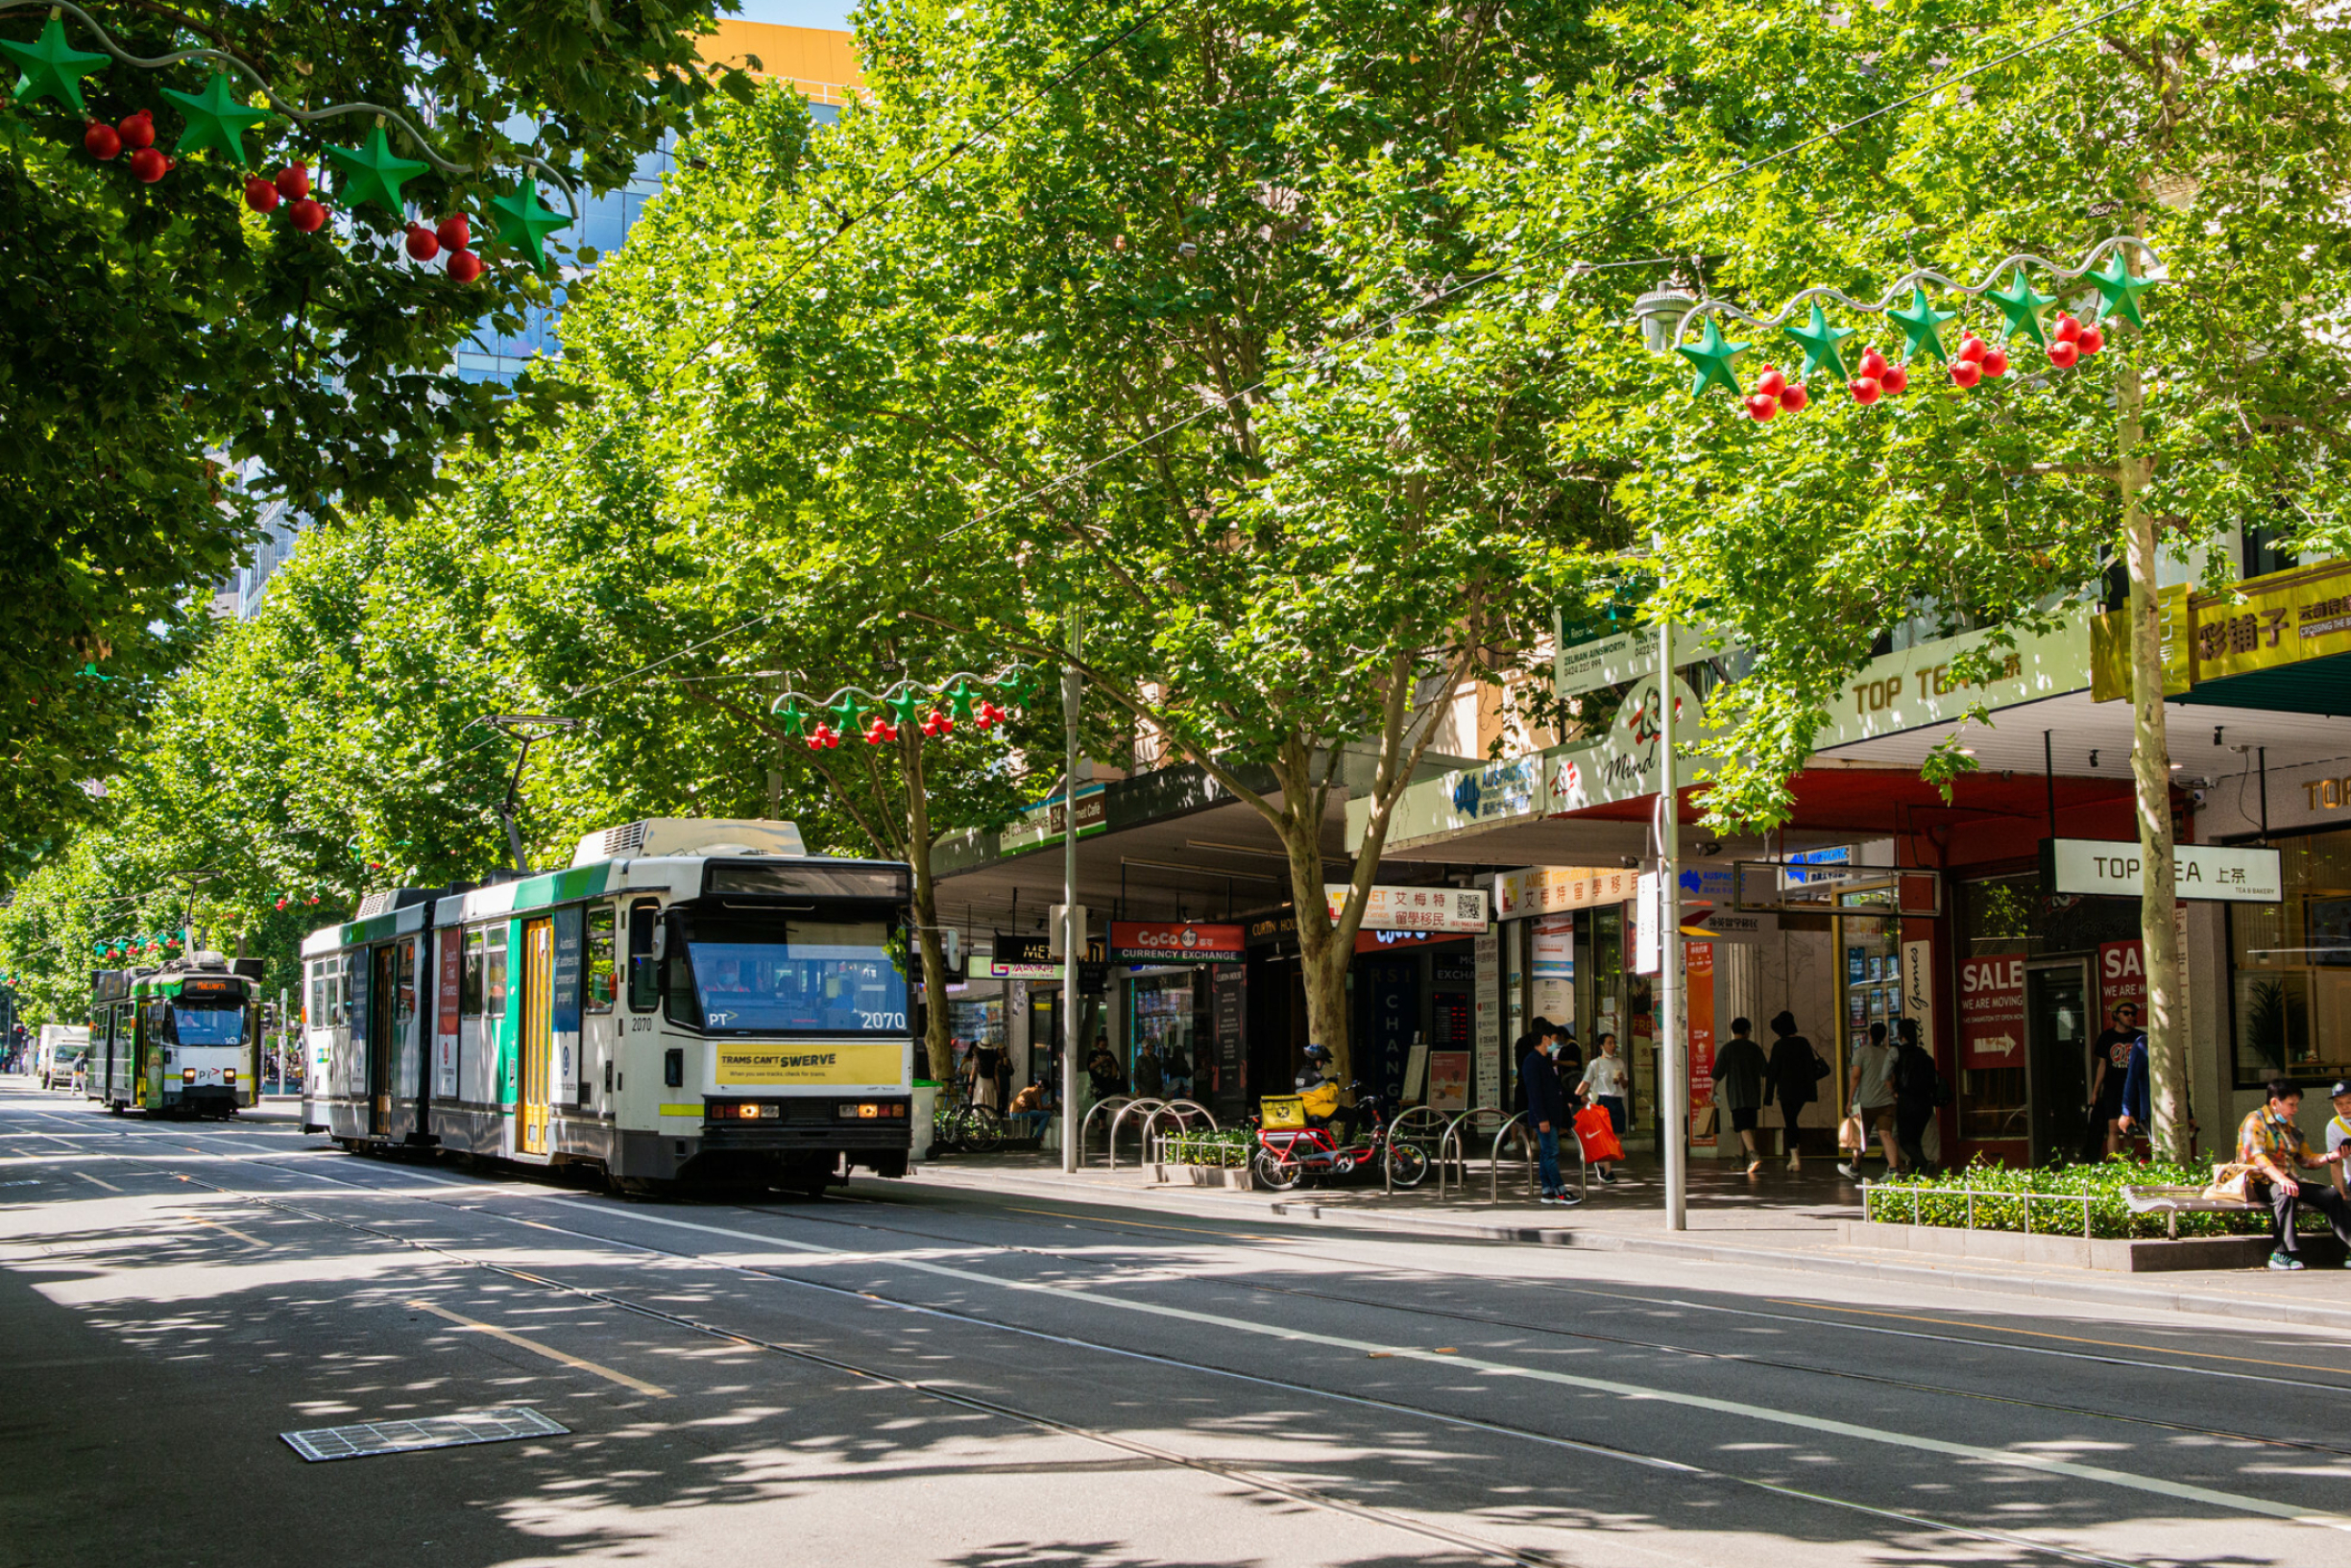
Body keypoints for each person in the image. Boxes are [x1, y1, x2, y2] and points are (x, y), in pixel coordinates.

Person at [2237, 1078, 2351, 1270]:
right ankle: (2281, 1254)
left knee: (2331, 1196)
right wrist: (2281, 1179)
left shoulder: (2290, 1128)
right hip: (2261, 1181)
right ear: (2275, 1103)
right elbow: (2258, 1158)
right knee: (2285, 1192)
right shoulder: (2254, 1120)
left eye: (2296, 1104)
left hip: (2290, 1180)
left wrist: (2331, 1156)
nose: (2295, 1109)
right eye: (2292, 1104)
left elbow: (2305, 1159)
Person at [1763, 1010, 1824, 1171]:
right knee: (1793, 1120)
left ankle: (1795, 1157)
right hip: (1804, 1090)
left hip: (1786, 1091)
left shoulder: (1778, 1046)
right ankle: (1795, 1155)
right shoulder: (1804, 1042)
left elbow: (1772, 1073)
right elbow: (1811, 1067)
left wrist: (1768, 1096)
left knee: (1790, 1121)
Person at [1839, 1022, 1901, 1180]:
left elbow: (1855, 1076)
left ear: (1870, 1035)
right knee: (1886, 1135)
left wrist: (1850, 1099)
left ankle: (1854, 1168)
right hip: (1886, 1102)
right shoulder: (1888, 1053)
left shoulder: (1861, 1052)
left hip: (1867, 1103)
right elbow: (1892, 1077)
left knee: (1861, 1137)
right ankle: (1894, 1169)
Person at [1710, 1016, 1769, 1177]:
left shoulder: (1727, 1049)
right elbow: (1765, 1071)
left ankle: (1753, 1155)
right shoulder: (1754, 1048)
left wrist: (1712, 1090)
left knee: (1742, 1127)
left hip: (1736, 1095)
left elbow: (1717, 1073)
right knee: (1746, 1127)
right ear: (1746, 1031)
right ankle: (1740, 1159)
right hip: (1753, 1094)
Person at [1518, 1029, 1568, 1204]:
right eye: (1552, 1038)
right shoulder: (1533, 1061)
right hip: (1545, 1116)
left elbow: (1555, 1088)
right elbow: (1535, 1092)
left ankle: (1548, 1190)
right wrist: (1542, 1118)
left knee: (1547, 1153)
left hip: (1550, 1114)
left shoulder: (1544, 1060)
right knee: (1550, 1153)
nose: (1554, 1041)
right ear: (1544, 1038)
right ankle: (1560, 1191)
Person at [2088, 1001, 2142, 1158]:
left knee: (2129, 1129)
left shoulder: (2139, 1037)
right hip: (2112, 1087)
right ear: (2117, 1015)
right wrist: (2095, 1091)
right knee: (2113, 1128)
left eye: (2133, 1014)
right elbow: (2102, 1065)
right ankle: (2114, 1166)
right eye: (2126, 1013)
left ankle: (2129, 1165)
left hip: (2133, 1088)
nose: (2129, 1016)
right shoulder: (2107, 1037)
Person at [1890, 1019, 1943, 1175]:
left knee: (1906, 1141)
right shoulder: (1925, 1057)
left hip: (1906, 1102)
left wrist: (1893, 1092)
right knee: (1917, 1139)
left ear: (1900, 1034)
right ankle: (1919, 1172)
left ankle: (1922, 1165)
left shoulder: (1898, 1055)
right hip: (1925, 1103)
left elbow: (1890, 1077)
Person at [1576, 1031, 1627, 1185]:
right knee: (1604, 1137)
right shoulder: (1595, 1063)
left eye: (1614, 1043)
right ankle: (1608, 1170)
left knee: (1617, 1136)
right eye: (1609, 1043)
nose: (1612, 1046)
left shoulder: (1619, 1063)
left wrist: (1621, 1080)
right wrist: (1574, 1097)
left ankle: (1601, 1163)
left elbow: (1623, 1084)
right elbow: (1586, 1082)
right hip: (1602, 1101)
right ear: (1601, 1046)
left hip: (1617, 1100)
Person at [968, 1036, 1004, 1112]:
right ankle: (989, 1119)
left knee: (979, 1102)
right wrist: (998, 1087)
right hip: (990, 1082)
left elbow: (973, 1073)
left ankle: (978, 1120)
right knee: (989, 1102)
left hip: (980, 1082)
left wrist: (970, 1085)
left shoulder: (976, 1057)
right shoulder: (994, 1058)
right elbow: (996, 1074)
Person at [1086, 1036, 1126, 1100]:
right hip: (1097, 1085)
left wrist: (1111, 1062)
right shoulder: (1093, 1053)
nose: (1104, 1047)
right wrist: (1099, 1061)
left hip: (1108, 1084)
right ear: (1097, 1045)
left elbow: (1116, 1069)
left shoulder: (1109, 1053)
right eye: (1102, 1045)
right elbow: (1090, 1066)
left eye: (1106, 1045)